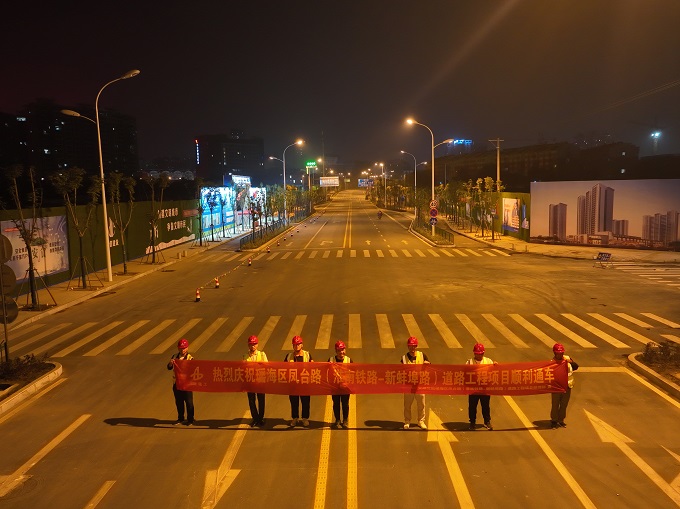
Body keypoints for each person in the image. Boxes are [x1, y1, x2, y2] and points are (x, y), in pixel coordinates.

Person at [466, 343, 497, 431]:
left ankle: (487, 421)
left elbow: (494, 371)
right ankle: (472, 422)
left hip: (485, 389)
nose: (479, 356)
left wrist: (495, 365)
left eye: (481, 354)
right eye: (477, 354)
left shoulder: (488, 361)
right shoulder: (469, 362)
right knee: (472, 406)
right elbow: (465, 374)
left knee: (485, 406)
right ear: (474, 353)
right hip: (473, 389)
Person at [401, 336, 430, 430]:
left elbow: (429, 367)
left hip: (419, 385)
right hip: (409, 386)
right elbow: (401, 371)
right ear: (408, 346)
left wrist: (427, 364)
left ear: (416, 346)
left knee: (421, 404)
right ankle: (407, 421)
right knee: (407, 405)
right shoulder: (404, 358)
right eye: (410, 346)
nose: (412, 348)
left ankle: (421, 421)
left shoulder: (422, 355)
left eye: (414, 346)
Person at [284, 335, 313, 427]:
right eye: (295, 344)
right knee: (294, 402)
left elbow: (313, 367)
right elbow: (283, 369)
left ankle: (305, 418)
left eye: (298, 344)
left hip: (304, 383)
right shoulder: (289, 356)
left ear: (302, 345)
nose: (297, 346)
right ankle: (295, 418)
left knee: (305, 402)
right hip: (293, 384)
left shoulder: (307, 355)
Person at [550, 343, 579, 429]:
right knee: (555, 405)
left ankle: (561, 420)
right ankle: (554, 421)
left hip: (567, 386)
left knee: (564, 404)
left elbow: (576, 367)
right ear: (555, 353)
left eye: (561, 353)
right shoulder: (552, 363)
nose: (560, 355)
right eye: (558, 353)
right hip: (557, 387)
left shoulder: (567, 358)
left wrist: (571, 362)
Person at [167, 338, 194, 425]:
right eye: (181, 348)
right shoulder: (174, 357)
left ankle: (190, 419)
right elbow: (169, 367)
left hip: (187, 384)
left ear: (187, 348)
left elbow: (193, 370)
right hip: (177, 384)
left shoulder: (190, 358)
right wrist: (170, 363)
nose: (183, 350)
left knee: (189, 402)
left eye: (184, 348)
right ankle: (180, 418)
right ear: (178, 348)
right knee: (179, 402)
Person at [328, 340, 353, 429]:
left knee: (345, 404)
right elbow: (327, 373)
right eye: (339, 350)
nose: (341, 352)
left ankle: (345, 420)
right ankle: (337, 420)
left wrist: (347, 383)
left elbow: (353, 374)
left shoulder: (349, 360)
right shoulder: (331, 360)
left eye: (342, 350)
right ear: (336, 351)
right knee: (336, 404)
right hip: (335, 387)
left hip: (345, 387)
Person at [245, 335, 268, 427]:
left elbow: (267, 366)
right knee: (251, 401)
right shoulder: (245, 356)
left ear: (257, 345)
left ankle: (261, 418)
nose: (253, 346)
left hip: (260, 381)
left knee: (261, 400)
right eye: (251, 344)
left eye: (254, 344)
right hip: (250, 381)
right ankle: (255, 419)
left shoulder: (262, 355)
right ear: (248, 345)